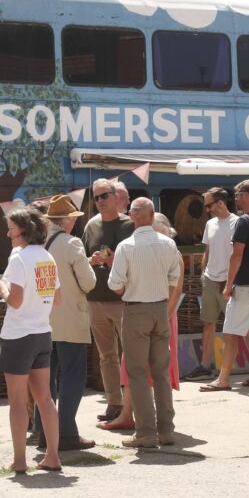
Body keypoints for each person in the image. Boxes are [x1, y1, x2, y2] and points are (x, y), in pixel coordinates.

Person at [107, 198, 181, 449]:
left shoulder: (125, 246)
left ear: (132, 216)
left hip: (136, 310)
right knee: (161, 372)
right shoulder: (168, 243)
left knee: (137, 373)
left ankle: (146, 432)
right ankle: (167, 430)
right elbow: (174, 279)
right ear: (151, 215)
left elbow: (115, 284)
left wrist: (128, 288)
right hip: (160, 308)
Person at [0, 208, 64, 471]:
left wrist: (2, 288)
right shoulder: (47, 257)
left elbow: (15, 301)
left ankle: (20, 460)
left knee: (17, 401)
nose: (8, 233)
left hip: (18, 335)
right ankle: (53, 456)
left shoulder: (19, 258)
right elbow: (58, 300)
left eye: (11, 229)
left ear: (23, 230)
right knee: (45, 399)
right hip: (42, 332)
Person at [201, 180, 249, 392]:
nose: (235, 199)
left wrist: (228, 286)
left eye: (237, 195)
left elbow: (236, 256)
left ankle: (223, 379)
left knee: (230, 334)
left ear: (246, 195)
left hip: (245, 285)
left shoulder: (244, 221)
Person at [34, 195, 97, 450]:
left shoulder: (36, 243)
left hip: (41, 320)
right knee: (72, 375)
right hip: (70, 317)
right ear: (68, 220)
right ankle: (67, 432)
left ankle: (43, 431)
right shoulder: (72, 243)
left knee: (45, 378)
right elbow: (89, 283)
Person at [81, 178, 135, 421]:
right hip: (96, 299)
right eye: (96, 197)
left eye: (104, 196)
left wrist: (114, 262)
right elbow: (82, 259)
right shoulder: (91, 225)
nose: (100, 201)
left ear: (116, 197)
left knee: (131, 354)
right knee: (106, 356)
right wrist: (91, 261)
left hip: (123, 299)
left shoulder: (129, 225)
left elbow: (137, 263)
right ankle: (114, 403)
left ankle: (133, 405)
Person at [184, 187, 238, 381]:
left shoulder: (238, 223)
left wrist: (233, 280)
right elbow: (208, 250)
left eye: (208, 205)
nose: (206, 210)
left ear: (220, 203)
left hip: (229, 280)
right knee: (208, 323)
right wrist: (203, 272)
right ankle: (205, 366)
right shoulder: (210, 224)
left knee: (239, 325)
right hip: (210, 278)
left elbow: (241, 253)